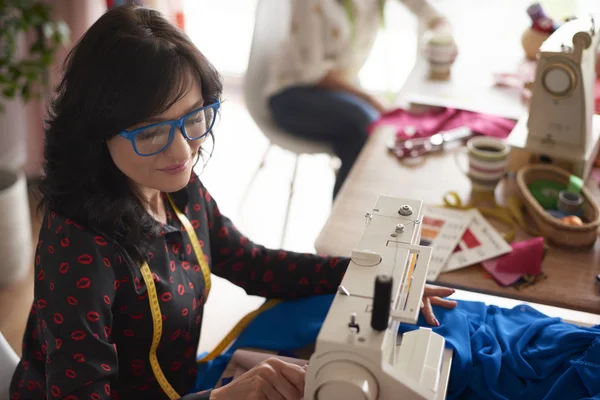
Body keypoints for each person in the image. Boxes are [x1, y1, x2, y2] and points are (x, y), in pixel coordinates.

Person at [9, 5, 457, 400]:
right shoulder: (79, 247)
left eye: (193, 119)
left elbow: (252, 263)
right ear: (95, 133)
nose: (183, 151)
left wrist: (370, 275)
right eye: (149, 133)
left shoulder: (177, 191)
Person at [266, 0, 456, 198]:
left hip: (337, 91)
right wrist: (371, 99)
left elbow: (426, 11)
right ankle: (346, 213)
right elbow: (313, 72)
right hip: (292, 92)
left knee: (367, 135)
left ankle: (355, 208)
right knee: (365, 124)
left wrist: (442, 31)